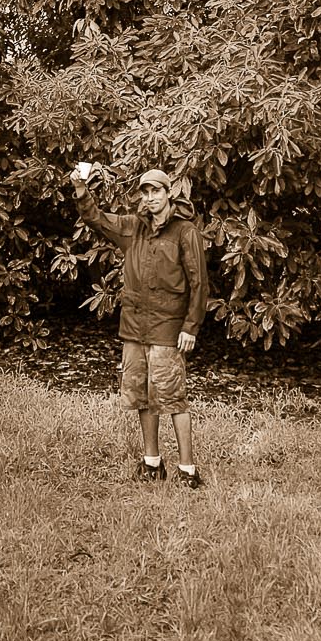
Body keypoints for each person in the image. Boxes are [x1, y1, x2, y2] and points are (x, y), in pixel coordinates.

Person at [71, 161, 209, 488]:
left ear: (168, 194)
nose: (149, 197)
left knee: (172, 398)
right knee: (142, 397)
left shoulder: (185, 232)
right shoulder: (133, 228)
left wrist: (191, 327)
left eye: (155, 191)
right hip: (134, 329)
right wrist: (80, 189)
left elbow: (199, 283)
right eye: (145, 192)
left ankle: (188, 470)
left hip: (167, 329)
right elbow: (96, 219)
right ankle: (152, 463)